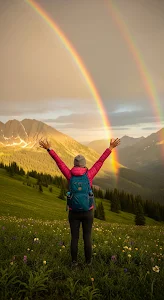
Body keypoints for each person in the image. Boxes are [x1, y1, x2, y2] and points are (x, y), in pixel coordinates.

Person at [39, 138, 120, 267]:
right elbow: (100, 161)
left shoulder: (69, 175)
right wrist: (110, 148)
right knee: (87, 237)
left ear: (75, 164)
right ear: (83, 165)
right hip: (88, 211)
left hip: (73, 212)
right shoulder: (89, 175)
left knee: (74, 238)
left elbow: (59, 162)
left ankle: (74, 262)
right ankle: (88, 263)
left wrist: (49, 149)